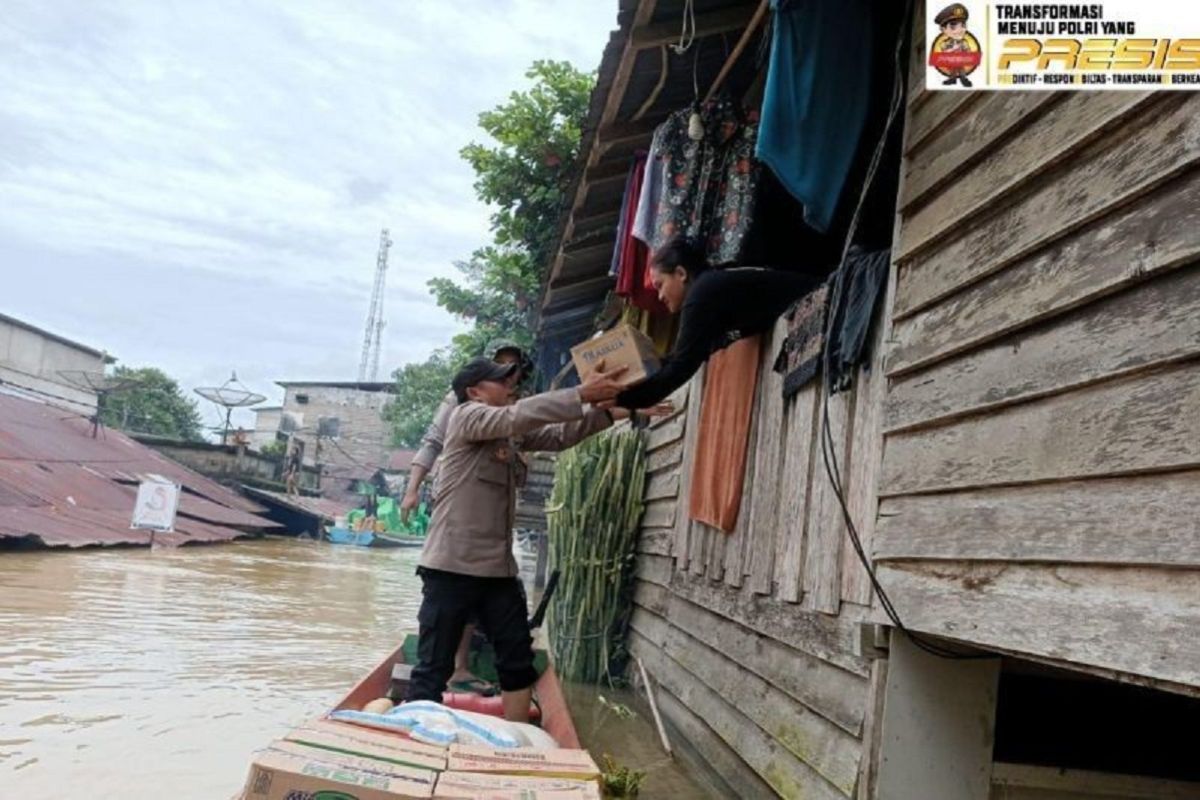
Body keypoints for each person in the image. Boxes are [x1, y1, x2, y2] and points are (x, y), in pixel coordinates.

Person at [404, 357, 638, 722]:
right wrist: (580, 393)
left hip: (497, 571)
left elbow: (559, 435)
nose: (511, 386)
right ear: (474, 391)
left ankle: (515, 738)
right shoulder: (466, 416)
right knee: (433, 665)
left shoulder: (508, 435)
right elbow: (518, 416)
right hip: (451, 566)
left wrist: (612, 413)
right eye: (500, 381)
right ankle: (417, 737)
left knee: (516, 657)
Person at [401, 341, 529, 694]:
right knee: (447, 626)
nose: (510, 376)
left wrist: (607, 409)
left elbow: (543, 426)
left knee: (506, 641)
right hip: (458, 531)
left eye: (513, 368)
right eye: (501, 368)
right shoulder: (463, 407)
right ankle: (456, 669)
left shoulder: (517, 405)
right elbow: (431, 442)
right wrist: (412, 489)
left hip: (494, 543)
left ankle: (463, 671)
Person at [615, 236, 824, 410]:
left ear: (681, 274)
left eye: (660, 285)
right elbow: (690, 353)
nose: (659, 296)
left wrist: (621, 400)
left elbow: (681, 367)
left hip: (819, 302)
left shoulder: (700, 296)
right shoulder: (709, 287)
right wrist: (643, 371)